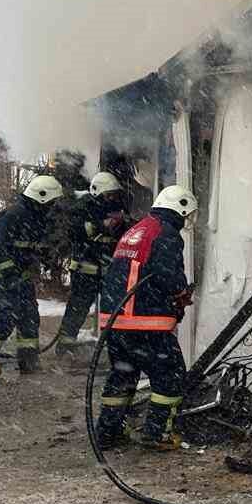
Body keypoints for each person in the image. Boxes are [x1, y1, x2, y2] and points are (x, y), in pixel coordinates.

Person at [94, 184, 197, 452]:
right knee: (171, 375)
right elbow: (168, 276)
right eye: (187, 215)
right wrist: (181, 294)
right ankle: (156, 433)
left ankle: (107, 432)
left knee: (122, 376)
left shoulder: (138, 229)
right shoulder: (166, 234)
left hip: (116, 321)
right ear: (181, 209)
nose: (186, 221)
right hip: (143, 321)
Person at [0, 174, 66, 378]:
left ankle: (28, 361)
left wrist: (45, 259)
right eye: (52, 202)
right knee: (8, 312)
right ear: (41, 197)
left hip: (20, 272)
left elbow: (31, 246)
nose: (54, 207)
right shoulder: (14, 215)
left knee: (29, 315)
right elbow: (0, 250)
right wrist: (10, 277)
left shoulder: (38, 216)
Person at [55, 171, 129, 358]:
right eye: (108, 194)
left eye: (114, 194)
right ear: (97, 193)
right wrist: (102, 226)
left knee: (112, 309)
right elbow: (77, 233)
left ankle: (114, 349)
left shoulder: (116, 209)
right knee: (77, 309)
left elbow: (120, 234)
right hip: (84, 270)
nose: (112, 198)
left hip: (107, 271)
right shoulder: (82, 209)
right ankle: (64, 347)